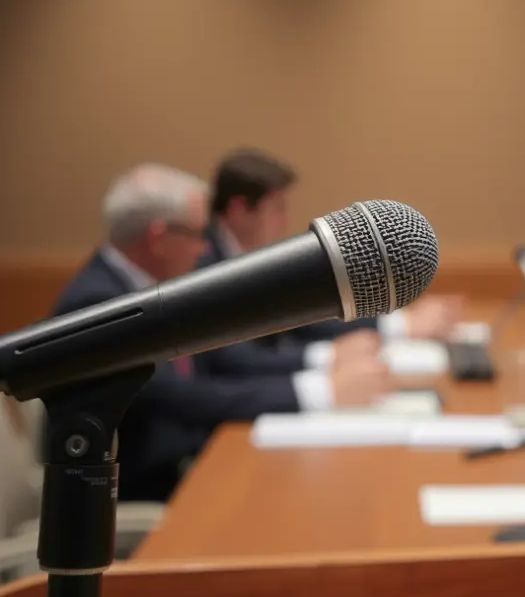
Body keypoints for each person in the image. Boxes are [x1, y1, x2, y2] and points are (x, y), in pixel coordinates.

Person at [52, 164, 391, 501]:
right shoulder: (97, 304)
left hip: (186, 465)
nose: (204, 249)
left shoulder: (143, 287)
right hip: (143, 491)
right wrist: (321, 391)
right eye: (199, 234)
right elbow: (180, 397)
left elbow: (221, 359)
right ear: (158, 238)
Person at [197, 147, 463, 378]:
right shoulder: (200, 264)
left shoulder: (251, 253)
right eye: (278, 208)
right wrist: (331, 357)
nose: (285, 221)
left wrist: (398, 324)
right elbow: (233, 360)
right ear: (239, 210)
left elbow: (301, 317)